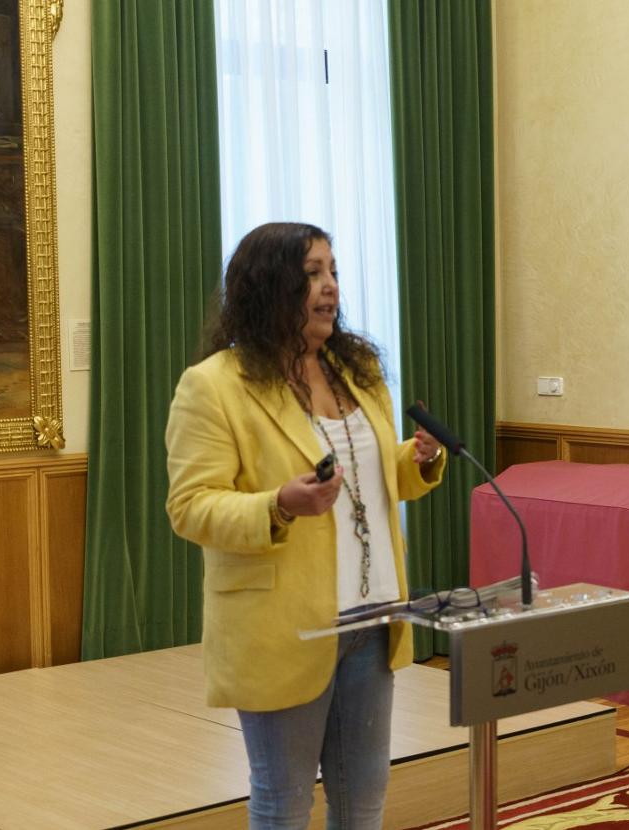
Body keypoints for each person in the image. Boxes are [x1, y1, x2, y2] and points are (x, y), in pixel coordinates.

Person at [165, 222, 445, 828]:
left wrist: (414, 459)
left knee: (363, 799)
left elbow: (365, 477)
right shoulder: (214, 386)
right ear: (268, 286)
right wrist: (279, 505)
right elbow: (190, 505)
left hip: (371, 620)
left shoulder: (357, 368)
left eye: (334, 272)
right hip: (284, 628)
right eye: (312, 273)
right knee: (284, 801)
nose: (329, 288)